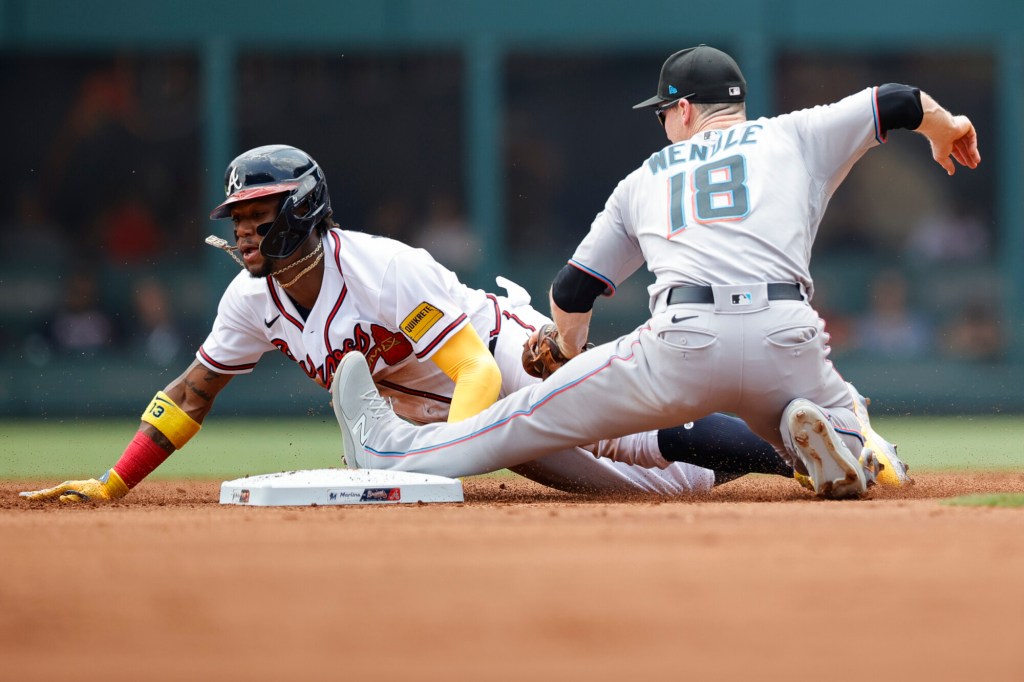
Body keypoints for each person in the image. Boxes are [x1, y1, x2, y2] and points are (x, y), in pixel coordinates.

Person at [328, 44, 974, 498]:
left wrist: (566, 348)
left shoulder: (645, 178)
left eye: (663, 111)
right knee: (835, 403)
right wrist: (947, 128)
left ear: (686, 109)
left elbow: (573, 289)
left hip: (683, 344)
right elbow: (894, 101)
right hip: (789, 334)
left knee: (518, 420)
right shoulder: (793, 135)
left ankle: (395, 453)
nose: (662, 123)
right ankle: (853, 445)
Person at [21, 144, 799, 504]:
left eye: (259, 215)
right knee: (631, 494)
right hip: (425, 412)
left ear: (303, 209)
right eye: (240, 218)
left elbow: (479, 372)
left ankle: (808, 447)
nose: (246, 232)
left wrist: (438, 469)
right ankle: (788, 453)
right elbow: (191, 393)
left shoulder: (381, 267)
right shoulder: (251, 300)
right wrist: (112, 482)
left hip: (504, 353)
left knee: (624, 430)